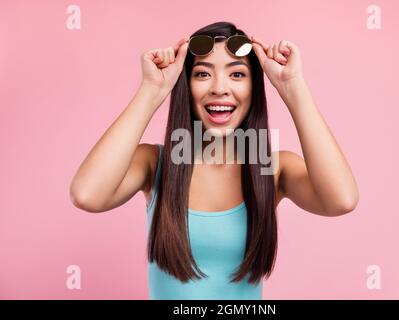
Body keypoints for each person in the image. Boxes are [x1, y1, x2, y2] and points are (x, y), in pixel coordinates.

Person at [70, 21, 359, 300]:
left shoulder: (272, 169)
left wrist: (293, 87)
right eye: (203, 74)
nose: (219, 88)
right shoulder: (155, 163)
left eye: (237, 75)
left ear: (254, 87)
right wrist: (152, 90)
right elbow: (87, 194)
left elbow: (341, 199)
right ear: (186, 84)